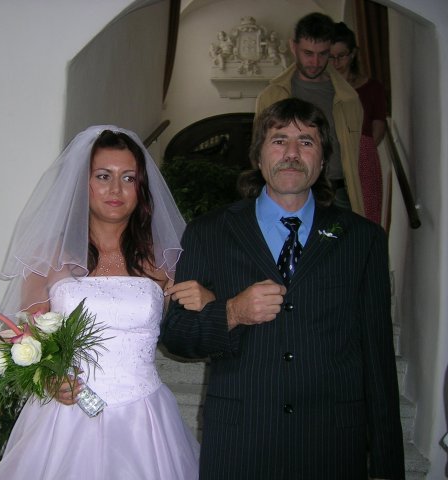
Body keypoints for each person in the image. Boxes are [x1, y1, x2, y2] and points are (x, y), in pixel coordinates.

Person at [162, 98, 405, 479]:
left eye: (306, 141)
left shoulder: (363, 239)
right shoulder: (208, 232)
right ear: (258, 157)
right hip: (240, 441)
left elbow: (378, 359)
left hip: (333, 446)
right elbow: (176, 336)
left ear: (323, 161)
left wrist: (388, 468)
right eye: (279, 140)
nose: (292, 153)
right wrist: (232, 311)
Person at [0, 126, 203, 479]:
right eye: (103, 176)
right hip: (65, 414)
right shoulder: (49, 257)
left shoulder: (166, 261)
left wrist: (207, 299)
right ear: (82, 183)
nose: (116, 189)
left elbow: (190, 330)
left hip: (144, 418)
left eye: (128, 178)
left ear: (141, 187)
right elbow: (23, 340)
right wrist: (48, 381)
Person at [255, 12, 365, 217]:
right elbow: (259, 149)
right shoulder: (272, 96)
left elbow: (355, 154)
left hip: (339, 192)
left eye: (323, 54)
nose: (315, 62)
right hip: (289, 192)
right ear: (293, 46)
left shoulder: (349, 99)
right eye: (308, 53)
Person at [331, 22, 388, 226]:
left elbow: (378, 126)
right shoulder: (323, 88)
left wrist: (359, 150)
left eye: (342, 55)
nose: (336, 62)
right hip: (330, 161)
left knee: (365, 217)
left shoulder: (372, 88)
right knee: (331, 224)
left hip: (362, 159)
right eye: (331, 56)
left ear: (353, 54)